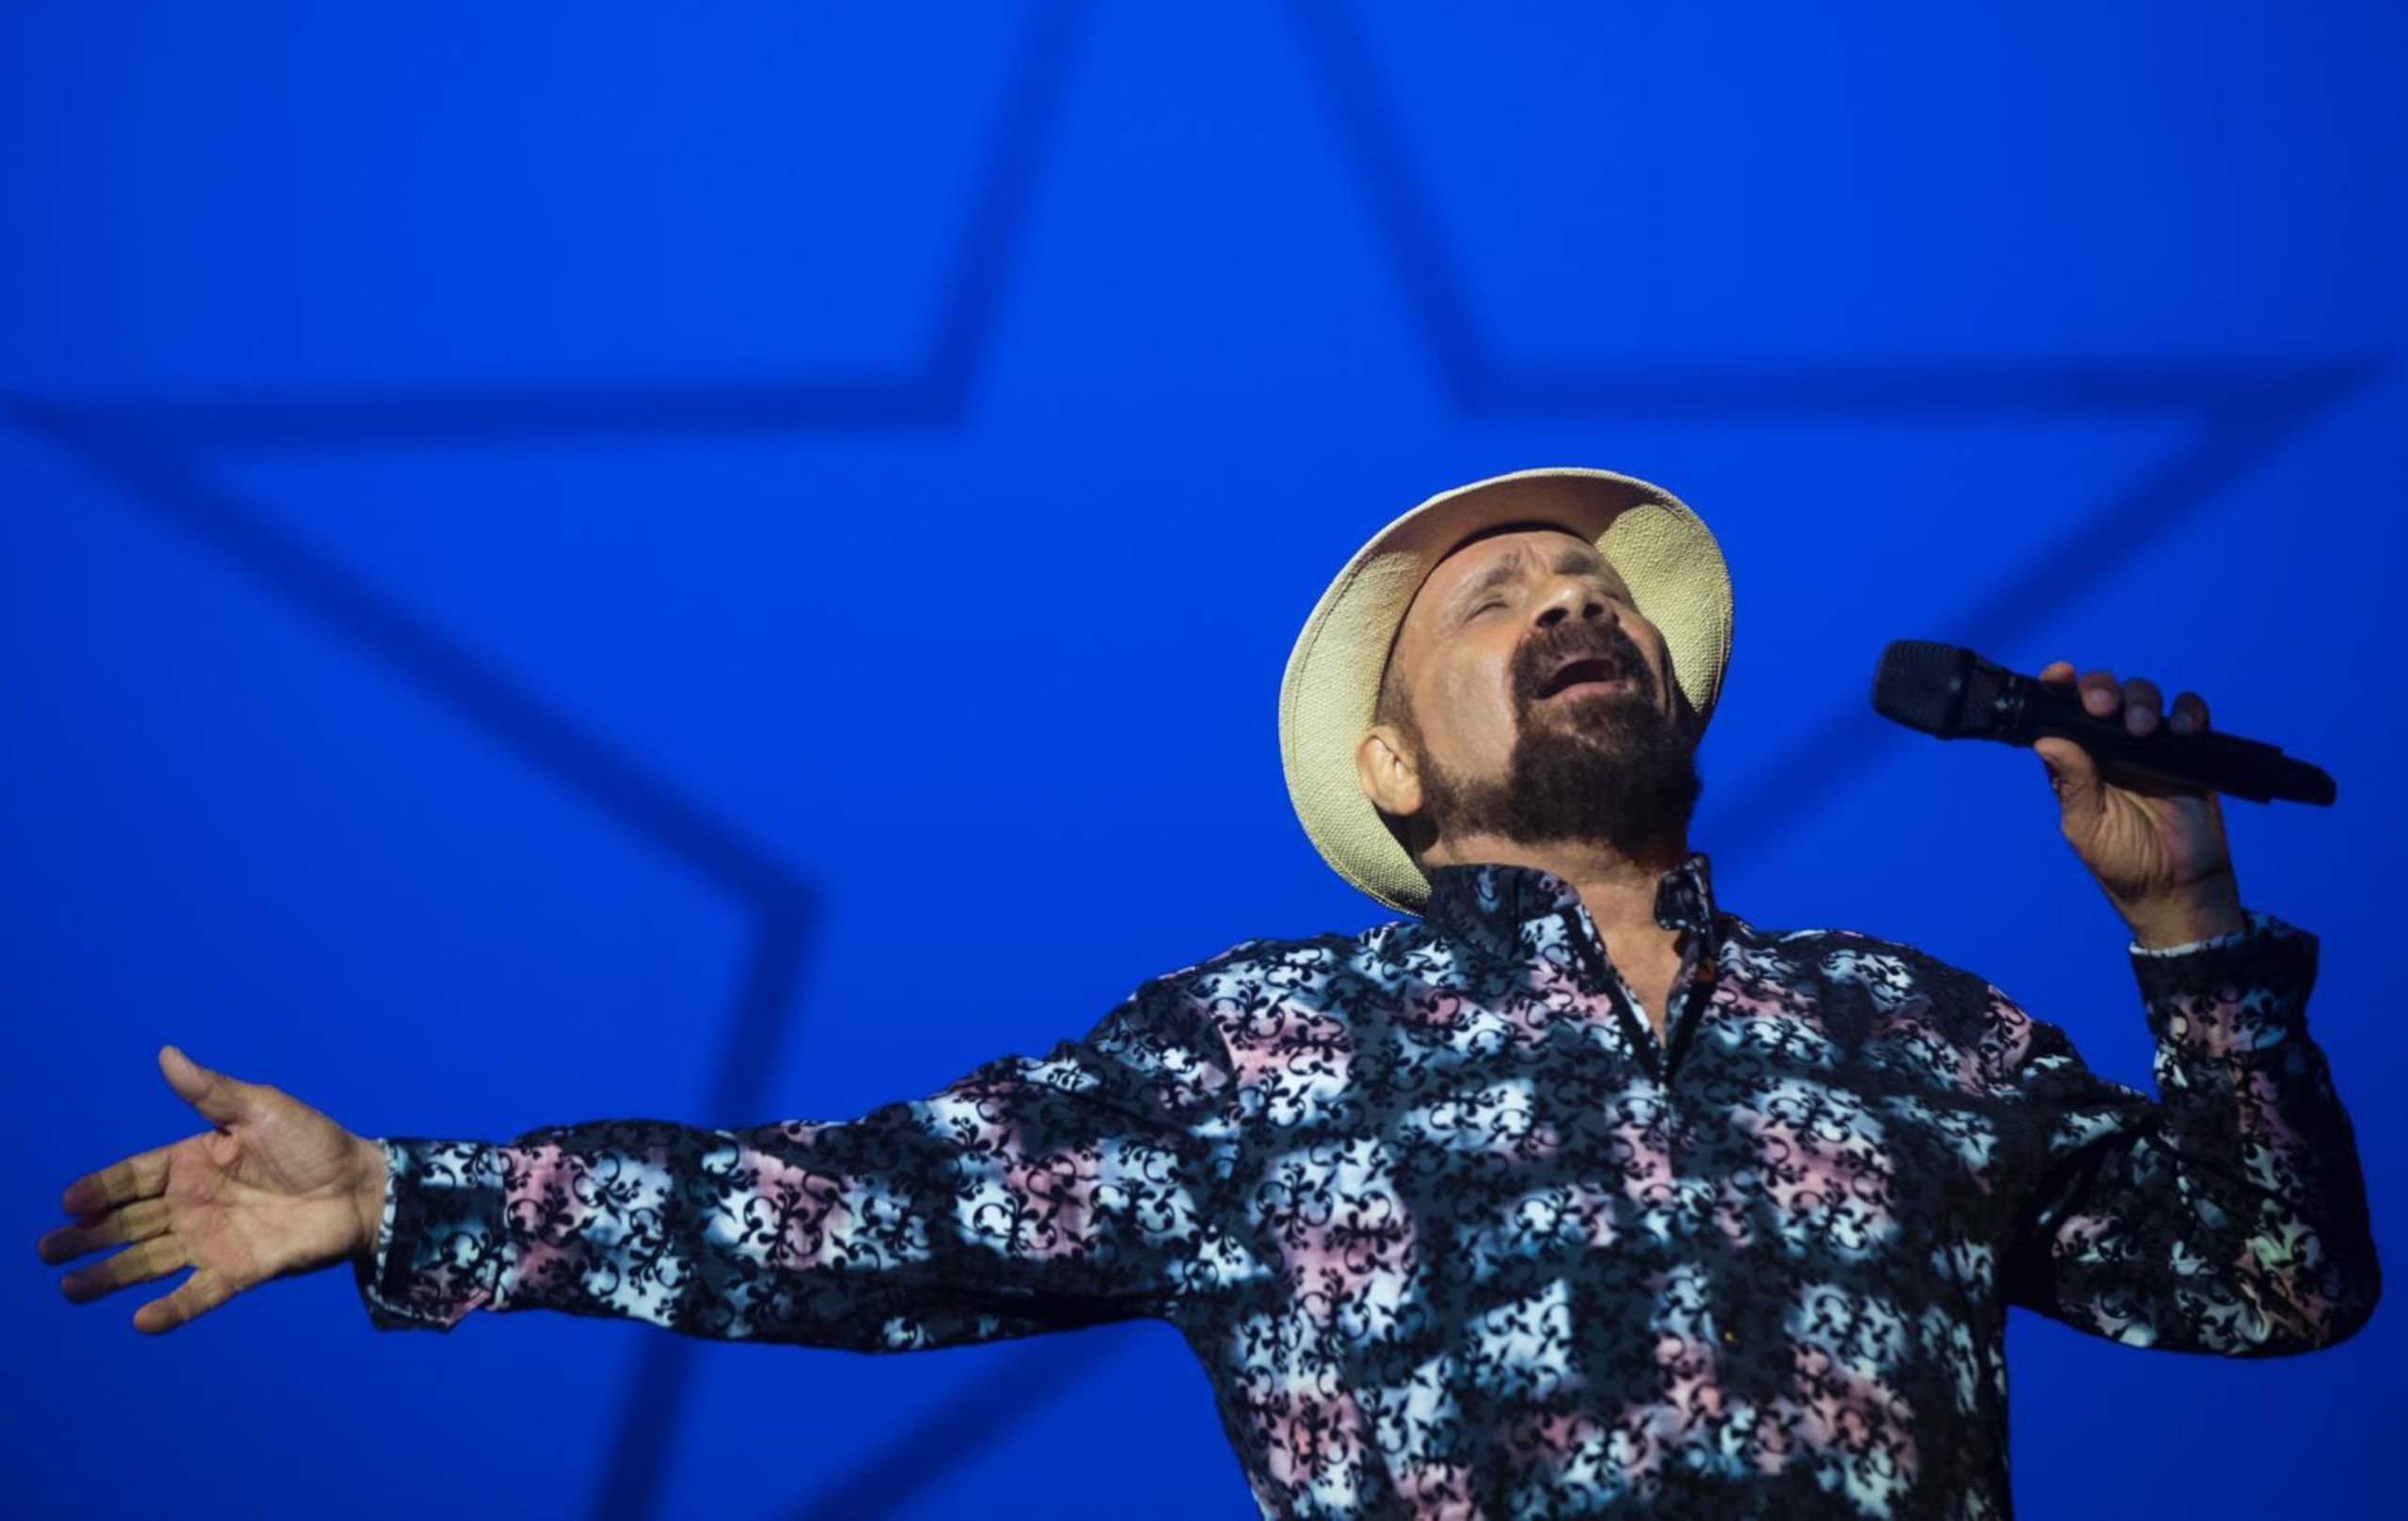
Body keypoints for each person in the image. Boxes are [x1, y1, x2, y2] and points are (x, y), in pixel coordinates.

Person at [40, 468, 2379, 1519]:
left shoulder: (1913, 1027)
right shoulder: (1265, 1055)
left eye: (1593, 586)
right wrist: (405, 1195)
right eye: (1492, 602)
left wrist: (2180, 927)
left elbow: (2274, 1285)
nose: (1563, 602)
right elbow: (845, 1212)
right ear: (1391, 766)